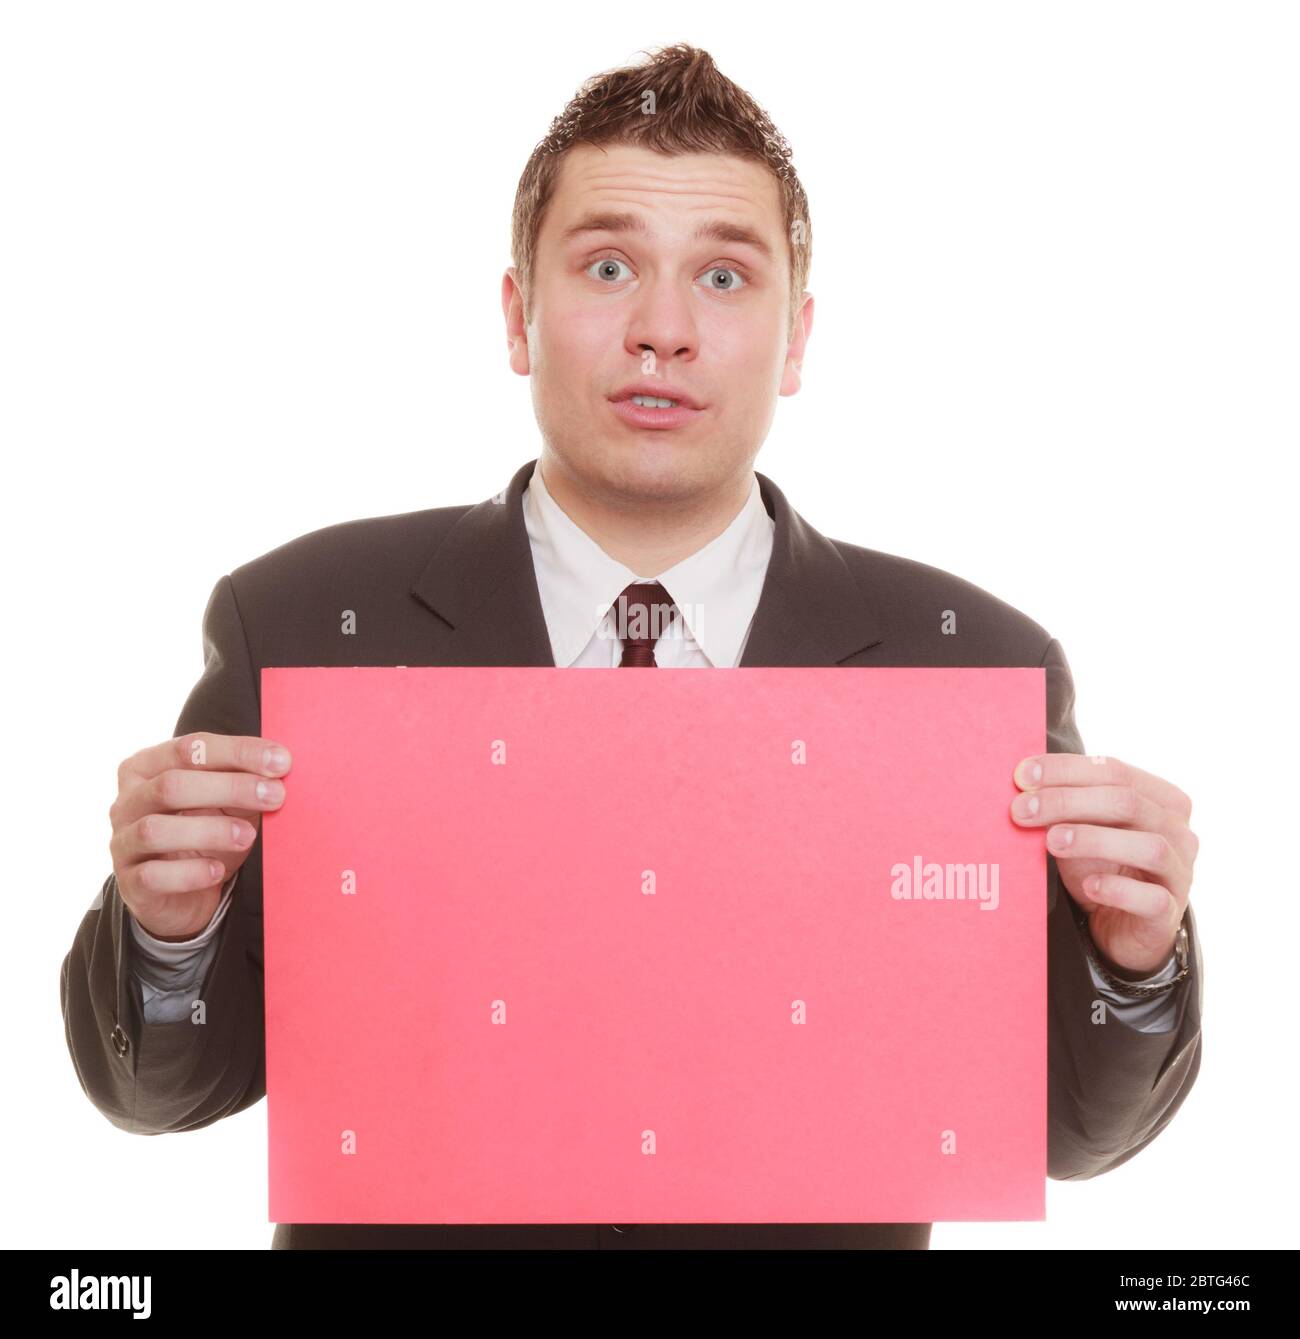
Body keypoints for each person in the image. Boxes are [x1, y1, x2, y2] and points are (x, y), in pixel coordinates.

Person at [62, 43, 1203, 1251]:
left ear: (797, 338)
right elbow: (160, 1091)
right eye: (609, 266)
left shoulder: (970, 667)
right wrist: (167, 929)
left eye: (723, 277)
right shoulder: (298, 623)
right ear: (520, 313)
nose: (662, 329)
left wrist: (1132, 960)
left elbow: (1072, 1132)